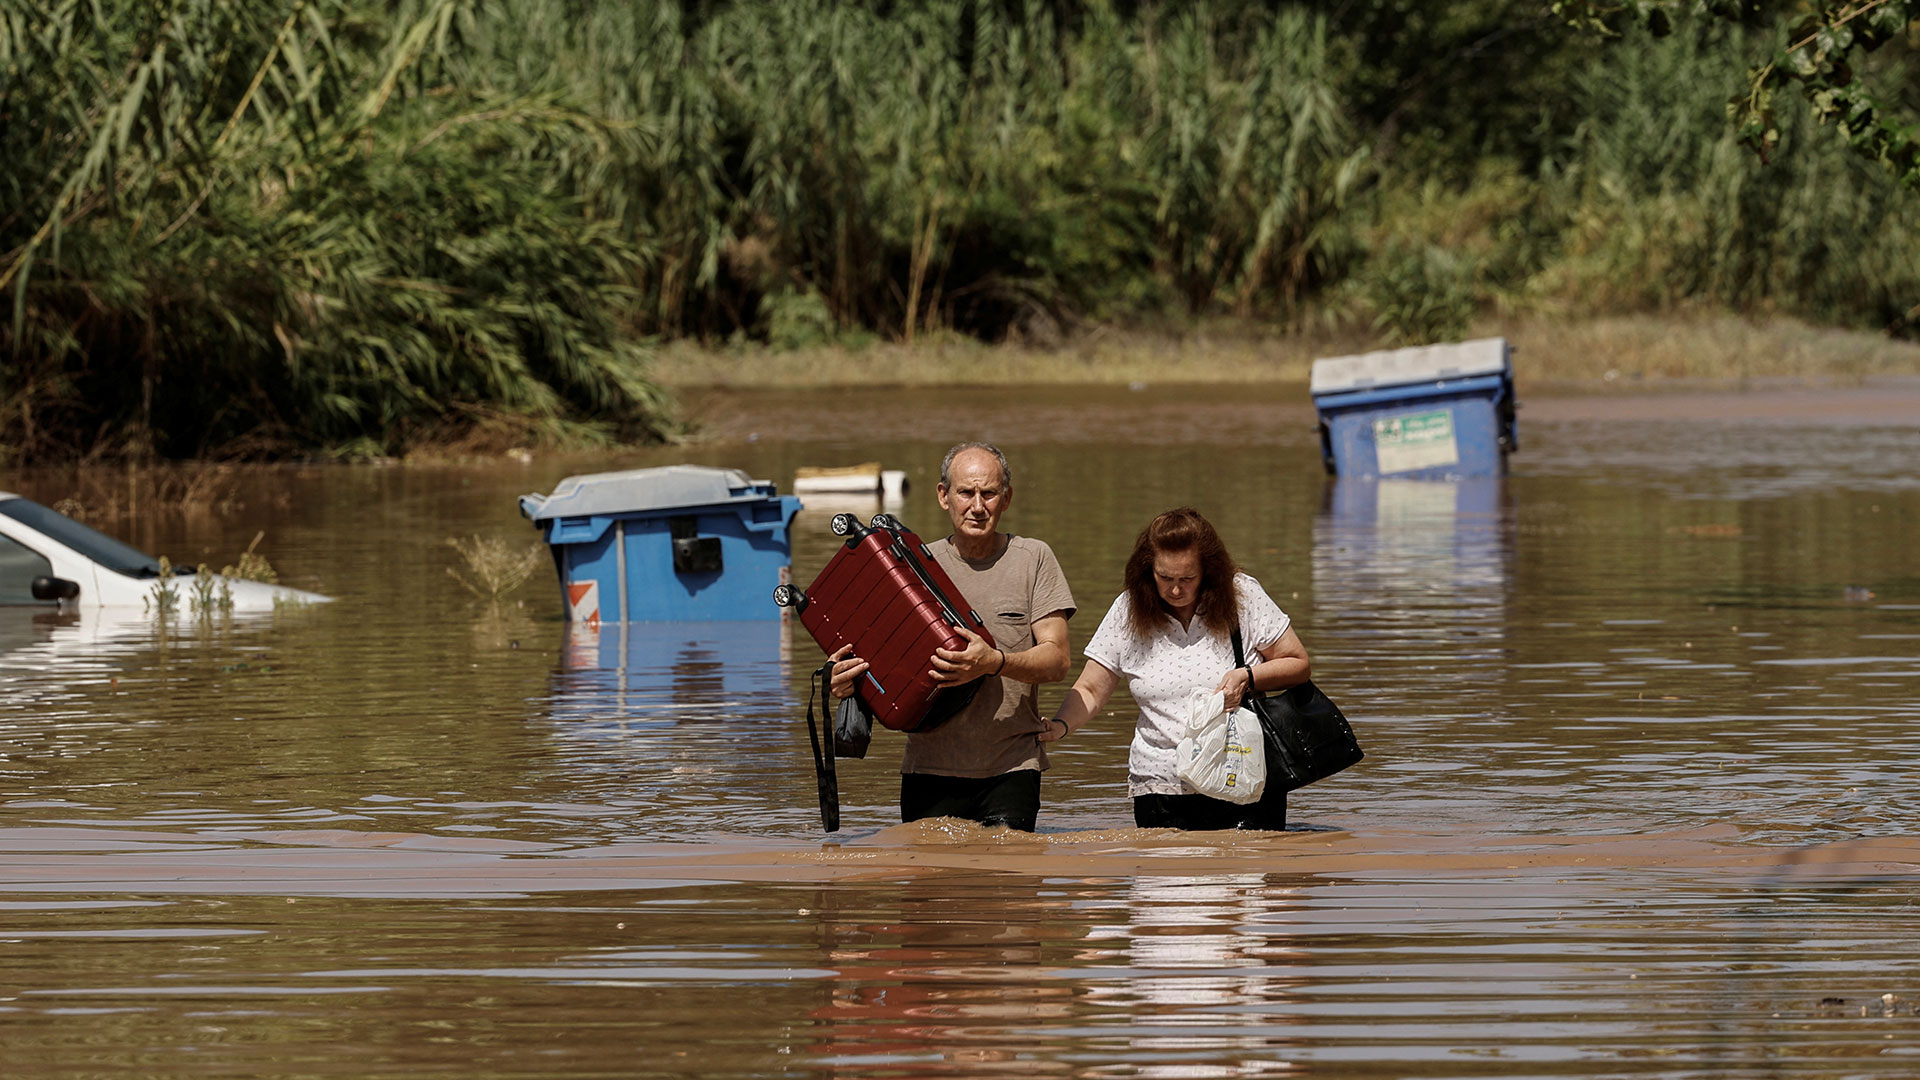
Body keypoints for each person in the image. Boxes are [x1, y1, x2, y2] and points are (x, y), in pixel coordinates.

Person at [827, 442, 1075, 831]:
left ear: (1006, 498)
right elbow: (876, 666)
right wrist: (845, 683)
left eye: (989, 493)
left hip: (1012, 769)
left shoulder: (1034, 559)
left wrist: (995, 662)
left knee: (1012, 884)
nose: (978, 506)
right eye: (966, 492)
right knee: (929, 888)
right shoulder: (909, 568)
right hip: (928, 769)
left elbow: (1058, 661)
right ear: (944, 496)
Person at [1040, 507, 1309, 831]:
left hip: (1241, 777)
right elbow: (1091, 689)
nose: (1176, 589)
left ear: (1208, 571)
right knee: (1163, 880)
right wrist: (1060, 726)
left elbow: (1298, 663)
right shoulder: (1127, 610)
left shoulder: (1243, 596)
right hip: (1160, 785)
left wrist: (1248, 676)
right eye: (1165, 578)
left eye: (1187, 579)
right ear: (1147, 570)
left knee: (1243, 876)